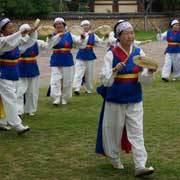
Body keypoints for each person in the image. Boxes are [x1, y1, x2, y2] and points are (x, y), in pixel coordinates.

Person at [96, 20, 154, 177]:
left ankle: (140, 164)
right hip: (115, 98)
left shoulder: (138, 52)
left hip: (135, 97)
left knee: (137, 131)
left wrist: (149, 72)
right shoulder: (111, 54)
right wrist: (115, 70)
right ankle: (114, 158)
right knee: (114, 129)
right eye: (127, 33)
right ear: (118, 36)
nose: (130, 36)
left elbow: (143, 79)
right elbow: (104, 79)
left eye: (132, 33)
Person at [16, 23, 62, 116]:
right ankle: (18, 110)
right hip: (20, 67)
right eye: (26, 32)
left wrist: (50, 37)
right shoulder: (18, 42)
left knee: (32, 91)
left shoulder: (37, 42)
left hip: (32, 67)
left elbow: (48, 47)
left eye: (29, 32)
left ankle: (30, 109)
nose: (29, 34)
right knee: (20, 90)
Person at [0, 18, 30, 134]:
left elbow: (25, 41)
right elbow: (9, 41)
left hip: (12, 73)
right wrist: (20, 33)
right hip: (3, 73)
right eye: (9, 27)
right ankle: (18, 125)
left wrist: (31, 33)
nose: (12, 29)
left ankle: (2, 122)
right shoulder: (3, 41)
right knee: (10, 98)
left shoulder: (13, 40)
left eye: (13, 27)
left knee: (4, 99)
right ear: (2, 30)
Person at [50, 17, 85, 105]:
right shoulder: (51, 35)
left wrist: (82, 37)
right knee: (55, 80)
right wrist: (57, 36)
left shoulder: (70, 34)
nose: (58, 25)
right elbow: (49, 45)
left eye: (60, 23)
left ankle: (65, 97)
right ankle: (56, 98)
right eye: (57, 24)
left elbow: (79, 42)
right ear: (54, 26)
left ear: (64, 25)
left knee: (67, 80)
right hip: (56, 59)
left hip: (67, 59)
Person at [73, 20, 108, 95]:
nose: (85, 27)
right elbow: (78, 43)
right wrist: (86, 35)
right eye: (84, 25)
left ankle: (88, 89)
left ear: (90, 26)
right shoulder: (78, 35)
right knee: (79, 72)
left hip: (90, 55)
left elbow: (100, 43)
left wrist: (105, 37)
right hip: (81, 55)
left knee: (89, 73)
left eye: (87, 25)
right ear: (81, 27)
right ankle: (77, 88)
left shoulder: (93, 35)